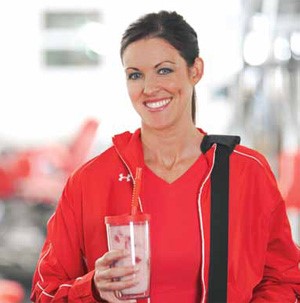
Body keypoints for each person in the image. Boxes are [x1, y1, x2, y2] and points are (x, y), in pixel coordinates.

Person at [31, 10, 300, 303]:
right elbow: (45, 292)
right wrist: (92, 288)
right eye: (135, 75)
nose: (148, 89)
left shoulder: (246, 172)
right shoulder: (89, 181)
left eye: (164, 70)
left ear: (195, 70)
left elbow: (283, 279)